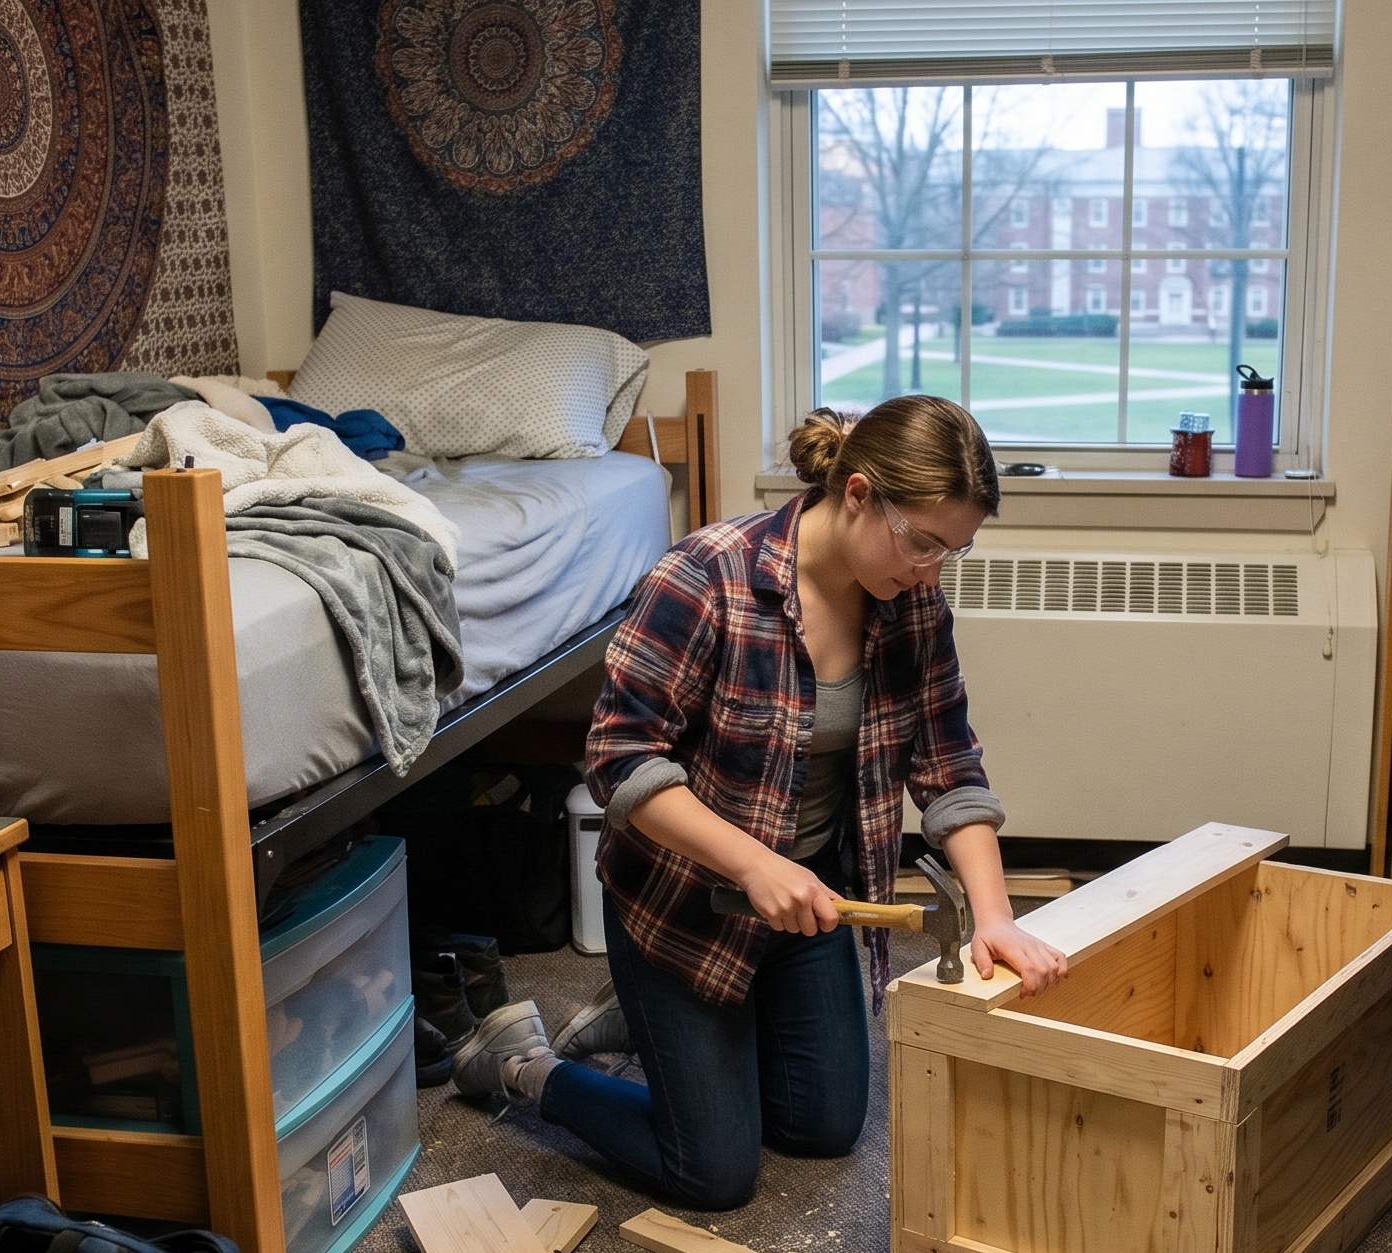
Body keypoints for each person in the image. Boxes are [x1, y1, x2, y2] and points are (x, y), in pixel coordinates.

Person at [450, 395, 1068, 1208]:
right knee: (713, 1173)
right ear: (855, 493)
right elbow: (618, 759)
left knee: (823, 1128)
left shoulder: (910, 601)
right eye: (921, 542)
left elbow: (950, 762)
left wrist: (993, 917)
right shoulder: (705, 577)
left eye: (952, 551)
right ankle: (522, 1066)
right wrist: (751, 862)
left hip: (808, 906)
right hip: (686, 906)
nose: (929, 570)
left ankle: (659, 1033)